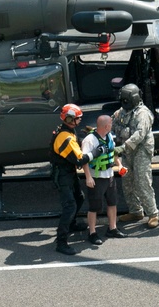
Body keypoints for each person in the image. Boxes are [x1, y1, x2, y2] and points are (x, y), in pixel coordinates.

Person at [50, 104, 122, 255]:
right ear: (71, 119)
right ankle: (61, 242)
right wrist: (96, 152)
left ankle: (72, 224)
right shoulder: (65, 137)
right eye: (78, 118)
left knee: (79, 198)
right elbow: (80, 159)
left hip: (68, 173)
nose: (80, 120)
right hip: (62, 175)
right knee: (69, 206)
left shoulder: (67, 131)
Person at [111, 84, 159, 228]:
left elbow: (140, 134)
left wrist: (122, 147)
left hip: (141, 151)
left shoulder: (142, 113)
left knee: (142, 181)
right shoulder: (121, 113)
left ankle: (153, 214)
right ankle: (136, 211)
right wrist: (97, 131)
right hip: (127, 151)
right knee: (127, 182)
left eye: (126, 100)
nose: (124, 102)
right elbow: (111, 124)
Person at [80, 114, 128, 245]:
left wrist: (120, 165)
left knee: (112, 202)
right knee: (94, 206)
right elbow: (84, 160)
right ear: (106, 126)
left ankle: (112, 228)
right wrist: (88, 177)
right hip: (96, 177)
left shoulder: (108, 137)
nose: (112, 126)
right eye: (111, 124)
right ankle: (92, 232)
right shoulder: (90, 140)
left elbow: (112, 153)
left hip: (109, 175)